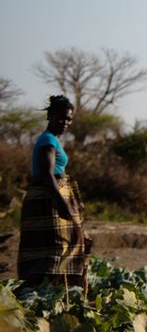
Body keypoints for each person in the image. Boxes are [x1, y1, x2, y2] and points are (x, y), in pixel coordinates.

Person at [18, 95, 90, 290]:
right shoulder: (48, 141)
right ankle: (28, 294)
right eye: (61, 118)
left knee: (62, 247)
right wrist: (63, 204)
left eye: (68, 119)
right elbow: (47, 175)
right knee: (59, 248)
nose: (65, 122)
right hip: (48, 200)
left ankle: (57, 290)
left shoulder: (52, 140)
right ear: (50, 116)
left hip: (51, 198)